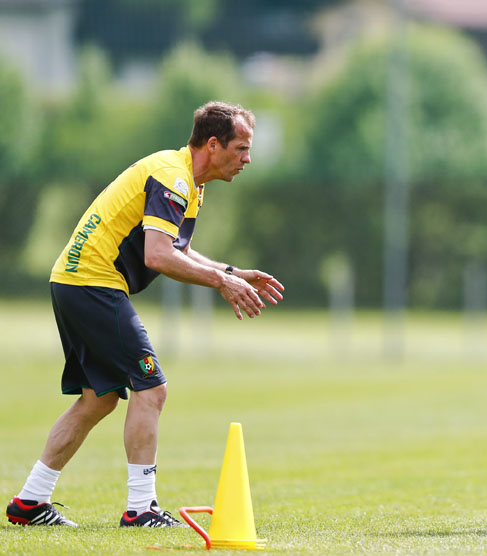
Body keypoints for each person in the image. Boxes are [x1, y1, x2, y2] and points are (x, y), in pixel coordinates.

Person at [6, 101, 285, 528]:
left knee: (97, 400)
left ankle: (30, 502)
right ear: (213, 144)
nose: (248, 159)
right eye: (242, 148)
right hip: (91, 283)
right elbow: (157, 256)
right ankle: (141, 509)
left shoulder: (189, 181)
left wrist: (229, 271)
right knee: (151, 389)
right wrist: (221, 284)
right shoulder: (172, 178)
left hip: (75, 281)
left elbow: (178, 250)